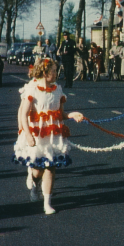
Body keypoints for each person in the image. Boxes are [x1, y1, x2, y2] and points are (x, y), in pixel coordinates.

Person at [12, 58, 84, 215]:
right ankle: (34, 180)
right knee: (38, 171)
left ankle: (47, 202)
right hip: (38, 135)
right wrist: (29, 135)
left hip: (52, 136)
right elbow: (23, 115)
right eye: (53, 70)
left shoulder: (57, 90)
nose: (56, 73)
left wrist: (72, 115)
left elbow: (61, 114)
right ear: (44, 72)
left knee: (50, 168)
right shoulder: (32, 90)